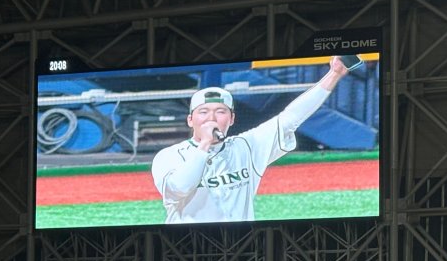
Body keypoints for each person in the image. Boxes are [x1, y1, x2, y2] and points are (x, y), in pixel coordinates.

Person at [151, 56, 352, 223]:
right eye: (203, 112)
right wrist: (204, 144)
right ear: (190, 120)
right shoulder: (168, 156)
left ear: (231, 119)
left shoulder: (246, 146)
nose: (211, 118)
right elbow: (179, 189)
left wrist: (334, 74)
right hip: (184, 248)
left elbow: (291, 117)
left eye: (220, 111)